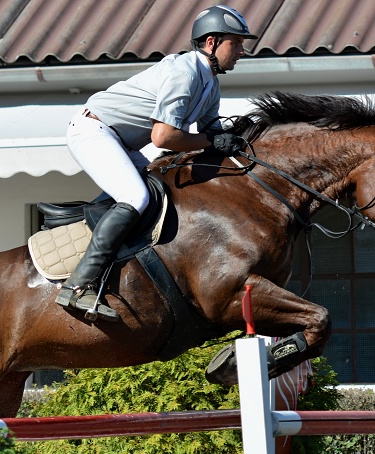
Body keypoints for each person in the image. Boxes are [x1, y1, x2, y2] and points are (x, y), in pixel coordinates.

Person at [56, 5, 257, 322]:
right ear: (211, 42)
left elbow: (210, 131)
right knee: (136, 197)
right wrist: (211, 141)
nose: (243, 51)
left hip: (119, 141)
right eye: (237, 43)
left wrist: (238, 137)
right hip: (94, 131)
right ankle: (78, 286)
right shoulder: (185, 73)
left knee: (157, 190)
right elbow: (163, 137)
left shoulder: (209, 83)